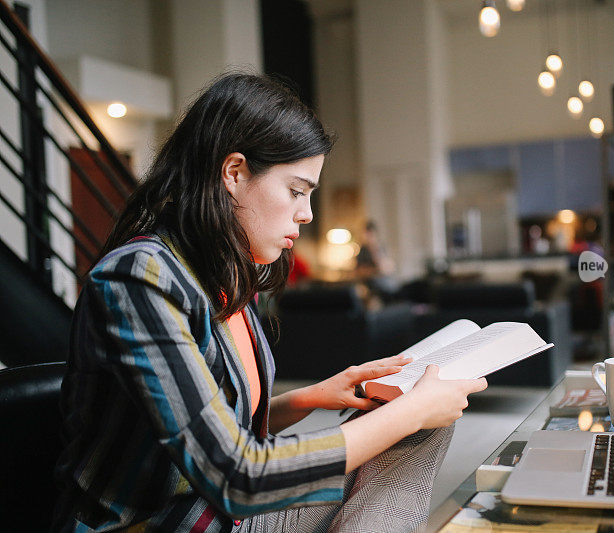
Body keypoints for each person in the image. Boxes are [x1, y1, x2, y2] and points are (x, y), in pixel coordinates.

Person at [52, 73, 487, 532]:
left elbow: (212, 421)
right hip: (172, 522)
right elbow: (239, 477)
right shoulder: (140, 278)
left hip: (224, 516)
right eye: (297, 191)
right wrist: (410, 409)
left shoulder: (226, 274)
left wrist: (310, 397)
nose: (307, 213)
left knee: (420, 427)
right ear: (234, 173)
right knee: (412, 416)